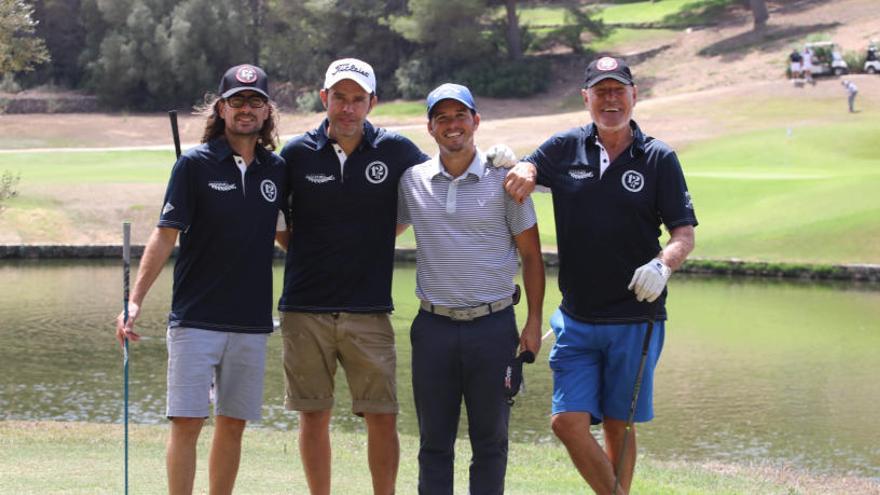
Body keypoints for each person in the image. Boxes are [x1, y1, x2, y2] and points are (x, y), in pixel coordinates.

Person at [504, 56, 697, 494]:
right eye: (601, 91)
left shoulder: (658, 158)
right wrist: (524, 168)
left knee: (618, 424)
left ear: (634, 95)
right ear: (586, 98)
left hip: (636, 318)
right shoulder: (564, 146)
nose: (611, 100)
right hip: (578, 317)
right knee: (566, 422)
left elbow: (683, 233)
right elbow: (529, 167)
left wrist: (663, 264)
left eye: (619, 90)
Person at [115, 64, 288, 495]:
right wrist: (134, 300)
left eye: (255, 101)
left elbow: (290, 237)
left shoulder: (277, 170)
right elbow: (164, 234)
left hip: (251, 321)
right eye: (237, 101)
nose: (246, 109)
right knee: (188, 422)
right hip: (196, 319)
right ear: (222, 108)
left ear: (267, 111)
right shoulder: (193, 164)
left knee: (232, 425)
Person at [276, 58, 428, 495]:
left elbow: (438, 182)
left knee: (382, 415)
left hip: (369, 309)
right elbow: (279, 224)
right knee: (313, 414)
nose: (347, 108)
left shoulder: (397, 150)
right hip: (305, 308)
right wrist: (315, 253)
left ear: (372, 102)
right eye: (338, 97)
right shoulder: (296, 153)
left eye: (357, 99)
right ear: (324, 98)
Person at [396, 83, 545, 494]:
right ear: (430, 128)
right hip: (433, 330)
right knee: (433, 445)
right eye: (441, 118)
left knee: (491, 443)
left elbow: (532, 257)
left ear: (476, 121)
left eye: (460, 116)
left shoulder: (507, 181)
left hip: (493, 328)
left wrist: (532, 323)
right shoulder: (412, 181)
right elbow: (378, 235)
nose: (452, 125)